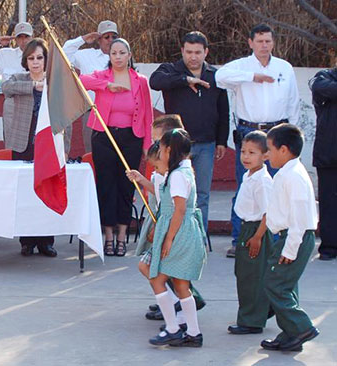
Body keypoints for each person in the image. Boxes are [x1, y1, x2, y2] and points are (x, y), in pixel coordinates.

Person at [216, 24, 300, 258]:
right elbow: (219, 77)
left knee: (279, 187)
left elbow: (293, 102)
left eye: (268, 41)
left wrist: (292, 137)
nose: (264, 45)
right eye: (260, 41)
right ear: (251, 42)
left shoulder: (284, 67)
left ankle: (275, 239)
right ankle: (239, 238)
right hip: (249, 131)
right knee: (246, 186)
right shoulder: (242, 66)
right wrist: (252, 77)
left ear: (273, 43)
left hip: (278, 131)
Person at [150, 31, 229, 233]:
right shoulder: (171, 71)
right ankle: (174, 234)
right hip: (176, 146)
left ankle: (197, 235)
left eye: (198, 52)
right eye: (189, 52)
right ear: (182, 51)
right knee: (173, 193)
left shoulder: (214, 75)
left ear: (206, 52)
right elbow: (155, 81)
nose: (193, 57)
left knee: (201, 193)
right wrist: (186, 80)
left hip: (206, 144)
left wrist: (222, 140)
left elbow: (223, 111)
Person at [80, 38, 152, 257]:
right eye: (114, 53)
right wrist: (106, 86)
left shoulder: (140, 81)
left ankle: (122, 235)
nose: (118, 57)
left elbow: (148, 114)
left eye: (122, 53)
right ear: (109, 57)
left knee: (126, 185)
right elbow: (81, 80)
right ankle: (108, 236)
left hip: (131, 138)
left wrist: (147, 145)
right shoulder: (102, 76)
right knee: (106, 184)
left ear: (129, 55)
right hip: (104, 136)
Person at [139, 129, 207, 348]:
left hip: (177, 232)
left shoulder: (177, 175)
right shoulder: (181, 171)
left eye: (161, 148)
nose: (158, 153)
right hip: (181, 231)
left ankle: (172, 328)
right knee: (180, 284)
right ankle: (193, 332)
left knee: (157, 278)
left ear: (169, 150)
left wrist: (168, 239)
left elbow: (178, 210)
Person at [261, 124, 319, 352]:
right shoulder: (287, 172)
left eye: (269, 149)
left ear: (283, 150)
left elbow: (299, 217)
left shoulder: (293, 176)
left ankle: (301, 327)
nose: (267, 155)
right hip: (287, 237)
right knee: (286, 285)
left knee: (275, 284)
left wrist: (289, 249)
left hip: (295, 237)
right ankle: (290, 333)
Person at [1, 38, 58, 257]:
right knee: (25, 192)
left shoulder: (54, 82)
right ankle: (26, 241)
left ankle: (46, 241)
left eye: (40, 58)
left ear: (46, 59)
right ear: (26, 61)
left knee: (46, 191)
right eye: (31, 58)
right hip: (22, 143)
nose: (35, 62)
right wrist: (33, 86)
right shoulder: (19, 78)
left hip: (47, 144)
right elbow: (6, 87)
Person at [228, 131, 274, 335]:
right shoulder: (249, 175)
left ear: (265, 156)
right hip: (247, 228)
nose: (246, 157)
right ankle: (261, 310)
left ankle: (252, 321)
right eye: (243, 151)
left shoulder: (262, 181)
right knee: (244, 273)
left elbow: (268, 213)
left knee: (252, 276)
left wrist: (257, 237)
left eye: (252, 152)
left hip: (257, 230)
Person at [63, 20, 118, 153]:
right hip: (94, 113)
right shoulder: (87, 55)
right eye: (106, 37)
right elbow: (64, 52)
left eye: (114, 37)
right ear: (99, 39)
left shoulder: (123, 57)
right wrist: (82, 39)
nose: (110, 40)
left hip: (118, 114)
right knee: (93, 154)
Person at [309, 69, 337, 260]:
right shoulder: (324, 77)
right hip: (329, 154)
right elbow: (320, 88)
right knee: (329, 203)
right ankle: (329, 247)